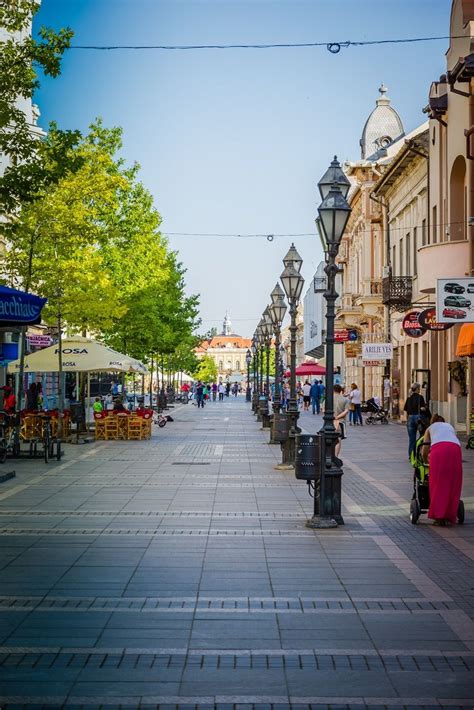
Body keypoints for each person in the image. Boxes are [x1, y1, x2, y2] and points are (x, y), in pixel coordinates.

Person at [422, 414, 463, 525]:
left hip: (439, 451)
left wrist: (425, 460)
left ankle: (439, 517)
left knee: (438, 484)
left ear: (432, 421)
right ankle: (450, 514)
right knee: (453, 483)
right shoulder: (449, 426)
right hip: (455, 450)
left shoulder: (430, 428)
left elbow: (425, 449)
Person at [404, 383, 428, 458]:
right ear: (417, 389)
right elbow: (423, 408)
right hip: (418, 418)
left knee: (412, 439)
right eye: (419, 388)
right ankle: (420, 452)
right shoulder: (420, 397)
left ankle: (411, 455)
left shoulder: (409, 398)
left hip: (410, 418)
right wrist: (423, 409)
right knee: (422, 436)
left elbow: (406, 409)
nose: (420, 389)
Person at [333, 384, 350, 457]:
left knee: (329, 439)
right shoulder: (345, 399)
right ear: (340, 391)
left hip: (330, 422)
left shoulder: (328, 399)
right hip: (340, 422)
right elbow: (346, 411)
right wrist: (338, 417)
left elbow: (323, 410)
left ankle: (329, 455)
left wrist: (333, 417)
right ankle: (336, 456)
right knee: (338, 439)